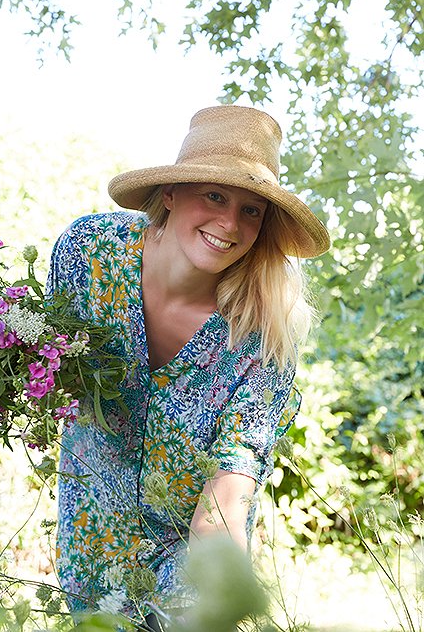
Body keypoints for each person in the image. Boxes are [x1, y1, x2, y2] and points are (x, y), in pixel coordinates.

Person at [47, 105, 330, 629]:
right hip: (87, 539)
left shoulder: (260, 340)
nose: (230, 223)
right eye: (216, 196)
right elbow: (49, 368)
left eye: (252, 210)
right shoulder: (88, 252)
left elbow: (226, 497)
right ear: (171, 193)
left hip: (185, 564)